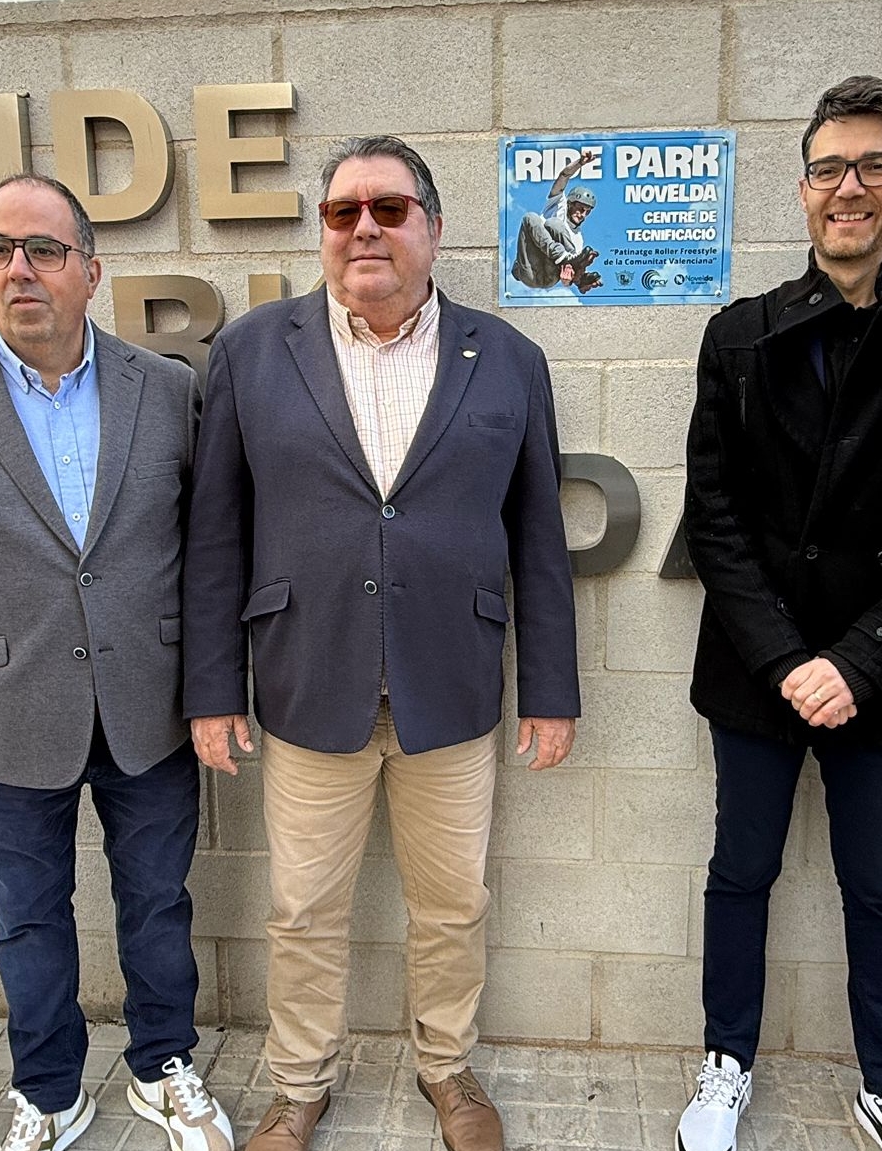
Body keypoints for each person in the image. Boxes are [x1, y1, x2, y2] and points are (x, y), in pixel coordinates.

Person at [183, 134, 581, 1151]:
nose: (364, 227)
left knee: (453, 902)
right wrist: (212, 689)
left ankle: (447, 1066)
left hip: (452, 684)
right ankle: (298, 1083)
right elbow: (217, 533)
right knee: (303, 906)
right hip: (308, 678)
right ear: (323, 231)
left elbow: (539, 537)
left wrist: (551, 688)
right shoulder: (252, 352)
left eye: (389, 209)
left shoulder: (509, 360)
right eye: (342, 211)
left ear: (433, 230)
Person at [0, 173, 233, 1151]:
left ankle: (162, 1065)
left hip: (148, 700)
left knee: (158, 900)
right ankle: (50, 1088)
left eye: (45, 249)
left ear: (91, 272)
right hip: (9, 701)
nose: (19, 268)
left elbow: (198, 541)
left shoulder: (166, 389)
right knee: (27, 915)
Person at [677, 76, 882, 1151]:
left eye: (874, 166)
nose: (849, 188)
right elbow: (714, 518)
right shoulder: (740, 334)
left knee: (880, 884)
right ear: (804, 188)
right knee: (741, 871)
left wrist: (857, 662)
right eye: (829, 168)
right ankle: (726, 1062)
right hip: (758, 668)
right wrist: (785, 658)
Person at [511, 146, 603, 292]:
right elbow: (563, 176)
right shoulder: (557, 204)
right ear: (570, 204)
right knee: (535, 219)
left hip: (550, 275)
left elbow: (567, 278)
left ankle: (578, 274)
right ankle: (564, 258)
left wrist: (567, 281)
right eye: (580, 209)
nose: (583, 215)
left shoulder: (577, 239)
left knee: (555, 226)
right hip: (530, 271)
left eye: (587, 212)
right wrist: (579, 163)